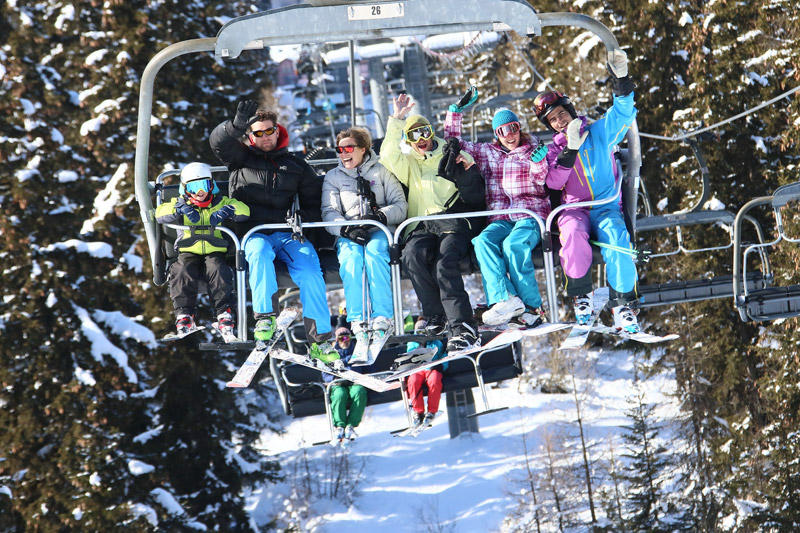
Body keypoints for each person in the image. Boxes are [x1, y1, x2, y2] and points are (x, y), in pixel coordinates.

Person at [210, 100, 338, 361]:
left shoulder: (296, 166)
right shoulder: (240, 159)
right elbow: (218, 143)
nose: (265, 137)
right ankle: (265, 318)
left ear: (278, 131)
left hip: (287, 233)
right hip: (253, 232)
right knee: (257, 252)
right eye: (258, 133)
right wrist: (234, 126)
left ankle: (319, 341)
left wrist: (304, 217)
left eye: (270, 131)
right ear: (250, 136)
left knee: (311, 271)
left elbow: (314, 203)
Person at [534, 49, 640, 333]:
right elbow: (553, 183)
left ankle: (623, 305)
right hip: (574, 209)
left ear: (570, 111)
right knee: (571, 234)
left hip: (606, 205)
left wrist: (622, 82)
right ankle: (583, 296)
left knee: (618, 238)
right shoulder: (553, 150)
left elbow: (622, 114)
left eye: (561, 114)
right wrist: (569, 150)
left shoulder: (598, 132)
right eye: (552, 120)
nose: (559, 121)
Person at [380, 92, 486, 352]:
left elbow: (475, 194)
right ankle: (435, 315)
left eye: (424, 132)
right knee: (412, 255)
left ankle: (462, 325)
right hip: (422, 224)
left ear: (431, 132)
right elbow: (388, 156)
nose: (421, 140)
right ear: (408, 140)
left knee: (444, 263)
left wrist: (464, 171)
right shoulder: (410, 164)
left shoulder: (451, 152)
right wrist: (396, 120)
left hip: (451, 220)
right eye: (414, 135)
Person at [445, 93, 550, 328]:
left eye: (512, 128)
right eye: (502, 131)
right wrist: (455, 112)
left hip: (529, 214)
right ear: (496, 135)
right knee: (482, 242)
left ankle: (533, 308)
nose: (509, 135)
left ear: (519, 128)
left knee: (513, 246)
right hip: (500, 217)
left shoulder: (532, 151)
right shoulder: (488, 153)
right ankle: (506, 299)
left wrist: (539, 162)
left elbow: (541, 179)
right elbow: (453, 144)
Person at [321, 127, 408, 355]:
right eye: (339, 149)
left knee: (375, 253)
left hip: (378, 228)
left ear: (363, 150)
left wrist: (380, 216)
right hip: (349, 232)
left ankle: (382, 316)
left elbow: (400, 204)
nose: (343, 153)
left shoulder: (381, 172)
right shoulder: (333, 177)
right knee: (351, 258)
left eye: (348, 148)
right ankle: (358, 321)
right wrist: (346, 228)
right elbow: (328, 212)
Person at [155, 162, 250, 336]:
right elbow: (160, 213)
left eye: (204, 185)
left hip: (215, 249)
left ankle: (224, 313)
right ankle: (184, 314)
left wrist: (228, 210)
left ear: (211, 185)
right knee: (181, 270)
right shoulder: (180, 202)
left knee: (218, 269)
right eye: (194, 187)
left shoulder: (221, 202)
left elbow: (244, 211)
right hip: (188, 250)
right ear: (185, 188)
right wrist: (179, 208)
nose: (200, 192)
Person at [323, 326, 368, 443]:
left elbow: (368, 366)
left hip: (354, 381)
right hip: (338, 382)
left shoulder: (358, 350)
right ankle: (340, 425)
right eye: (342, 338)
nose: (345, 341)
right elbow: (324, 372)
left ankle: (351, 424)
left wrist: (363, 376)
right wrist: (333, 378)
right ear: (337, 340)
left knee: (359, 392)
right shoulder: (330, 353)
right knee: (339, 395)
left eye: (347, 338)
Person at [404, 317, 448, 427]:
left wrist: (440, 366)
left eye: (423, 331)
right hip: (418, 369)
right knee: (413, 381)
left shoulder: (436, 342)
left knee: (434, 380)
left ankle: (432, 411)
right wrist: (420, 345)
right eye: (419, 332)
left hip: (432, 368)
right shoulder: (412, 342)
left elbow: (444, 356)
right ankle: (418, 411)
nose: (421, 334)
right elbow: (410, 356)